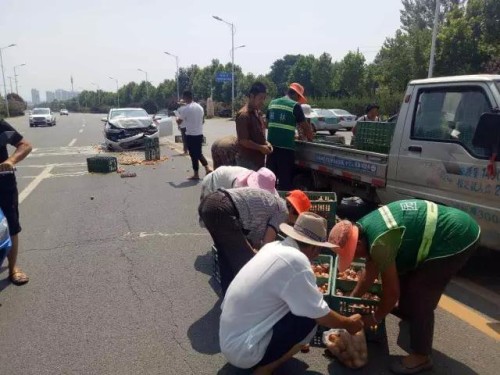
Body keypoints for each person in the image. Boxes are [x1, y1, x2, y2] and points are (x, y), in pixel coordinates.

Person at [328, 199, 481, 374]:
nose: (356, 259)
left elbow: (392, 293)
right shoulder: (363, 227)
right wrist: (351, 301)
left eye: (353, 255)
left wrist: (373, 319)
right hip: (447, 227)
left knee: (421, 295)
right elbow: (369, 271)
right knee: (403, 278)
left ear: (359, 244)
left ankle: (421, 356)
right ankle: (411, 315)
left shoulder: (380, 242)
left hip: (457, 236)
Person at [219, 212, 364, 374]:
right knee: (309, 320)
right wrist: (349, 324)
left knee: (301, 307)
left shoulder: (273, 247)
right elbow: (320, 315)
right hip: (243, 351)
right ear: (315, 247)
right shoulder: (296, 261)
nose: (316, 256)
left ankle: (266, 354)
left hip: (228, 338)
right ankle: (265, 369)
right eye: (318, 251)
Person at [199, 182, 287, 294]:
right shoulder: (283, 211)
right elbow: (266, 247)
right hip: (222, 209)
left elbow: (255, 239)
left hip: (210, 203)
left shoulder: (272, 202)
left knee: (226, 257)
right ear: (293, 210)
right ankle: (246, 301)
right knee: (246, 262)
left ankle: (229, 300)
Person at [0, 119, 33, 285]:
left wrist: (10, 161)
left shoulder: (1, 126)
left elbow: (25, 145)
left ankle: (12, 268)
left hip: (3, 183)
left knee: (11, 225)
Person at [266, 83, 314, 190]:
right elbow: (306, 128)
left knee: (269, 181)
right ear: (297, 95)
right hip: (286, 151)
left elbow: (267, 124)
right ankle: (283, 205)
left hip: (270, 149)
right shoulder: (295, 106)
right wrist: (311, 139)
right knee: (285, 182)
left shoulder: (272, 103)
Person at [235, 82, 272, 171]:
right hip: (247, 163)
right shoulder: (244, 115)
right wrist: (261, 147)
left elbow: (258, 134)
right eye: (260, 98)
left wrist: (266, 143)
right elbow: (243, 141)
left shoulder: (257, 113)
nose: (262, 102)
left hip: (258, 161)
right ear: (251, 97)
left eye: (264, 98)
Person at [176, 90, 212, 180]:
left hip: (190, 135)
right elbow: (203, 121)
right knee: (199, 153)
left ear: (185, 98)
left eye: (183, 97)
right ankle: (207, 168)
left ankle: (196, 174)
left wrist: (177, 117)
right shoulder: (200, 107)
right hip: (199, 133)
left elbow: (179, 122)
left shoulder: (186, 109)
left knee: (193, 154)